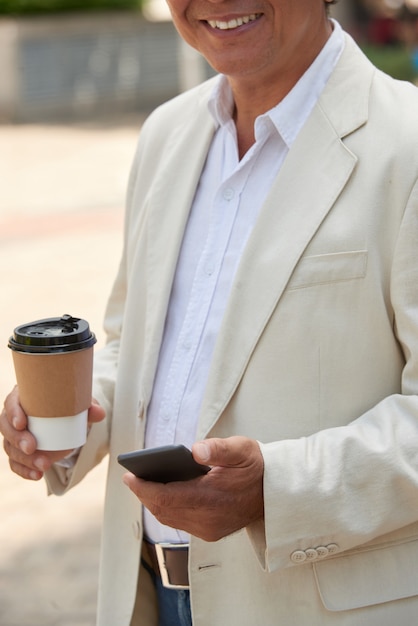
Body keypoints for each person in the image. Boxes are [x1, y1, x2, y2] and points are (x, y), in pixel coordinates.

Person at [2, 0, 418, 623]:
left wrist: (275, 491)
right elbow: (133, 346)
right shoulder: (165, 135)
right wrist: (67, 421)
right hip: (146, 595)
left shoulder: (407, 142)